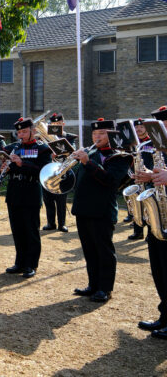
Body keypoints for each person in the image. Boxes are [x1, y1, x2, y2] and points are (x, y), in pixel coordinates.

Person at [71, 118, 132, 303]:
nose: (97, 137)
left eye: (102, 134)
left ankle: (105, 289)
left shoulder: (120, 156)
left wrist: (87, 163)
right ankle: (93, 285)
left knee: (104, 251)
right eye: (95, 134)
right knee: (89, 250)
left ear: (112, 135)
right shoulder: (90, 151)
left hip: (102, 210)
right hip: (83, 208)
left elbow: (110, 181)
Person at [3, 117, 52, 278]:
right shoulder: (14, 147)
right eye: (19, 132)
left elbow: (43, 171)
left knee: (31, 230)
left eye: (24, 131)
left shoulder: (43, 149)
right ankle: (20, 262)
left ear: (33, 131)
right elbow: (10, 166)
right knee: (17, 230)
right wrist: (4, 167)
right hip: (14, 191)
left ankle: (31, 264)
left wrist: (21, 164)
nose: (21, 135)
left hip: (31, 191)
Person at [134, 106, 167, 339]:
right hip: (160, 215)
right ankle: (165, 316)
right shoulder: (160, 147)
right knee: (160, 270)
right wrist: (148, 175)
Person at [42, 113, 76, 233]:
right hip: (48, 171)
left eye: (58, 124)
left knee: (61, 200)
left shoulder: (69, 137)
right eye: (54, 124)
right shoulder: (44, 137)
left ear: (63, 124)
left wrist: (60, 152)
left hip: (62, 172)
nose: (56, 125)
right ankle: (51, 223)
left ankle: (62, 224)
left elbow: (73, 153)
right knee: (48, 199)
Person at [126, 118, 152, 240]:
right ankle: (138, 232)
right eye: (136, 127)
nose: (139, 129)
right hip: (135, 177)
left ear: (146, 129)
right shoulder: (131, 143)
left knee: (149, 205)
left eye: (141, 127)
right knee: (136, 204)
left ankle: (151, 232)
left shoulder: (151, 142)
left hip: (148, 177)